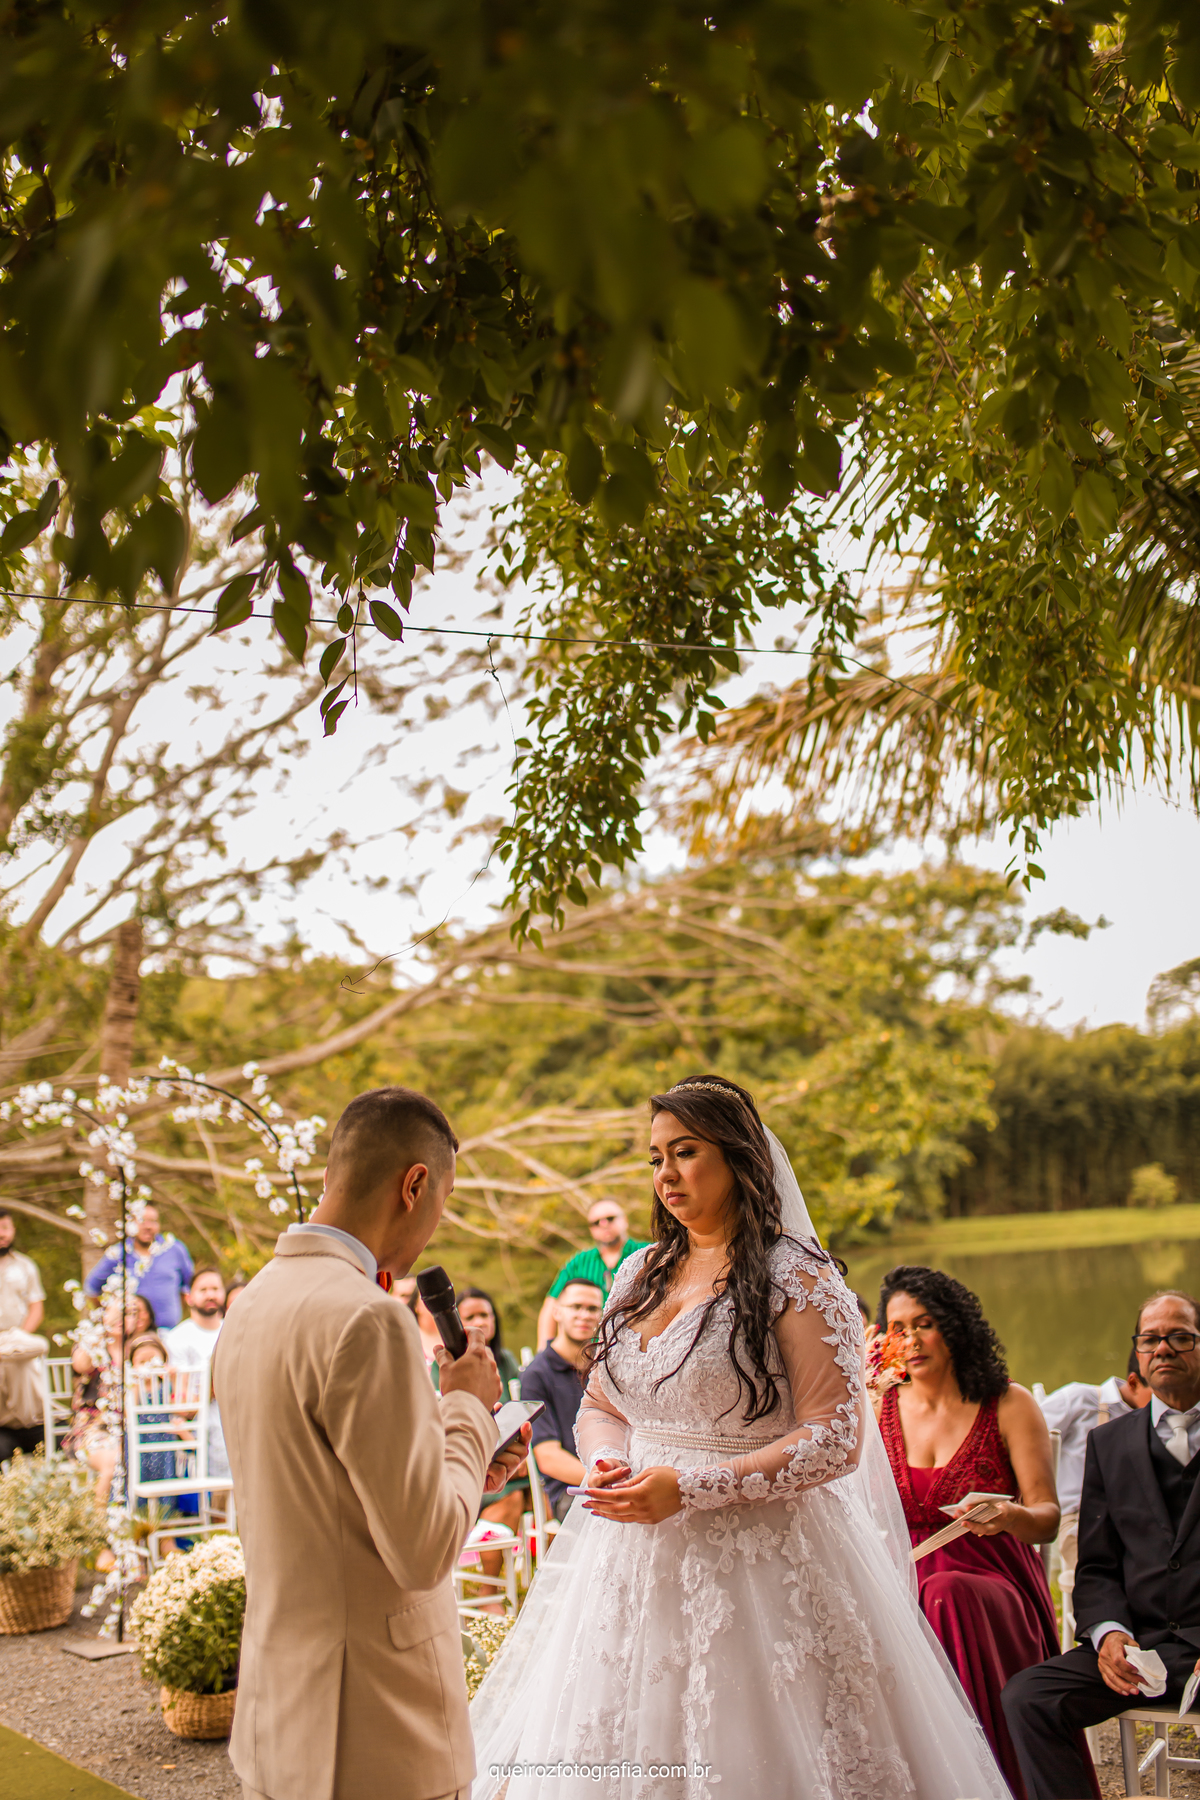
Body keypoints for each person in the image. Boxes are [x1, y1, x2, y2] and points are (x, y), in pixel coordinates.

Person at [470, 1075, 1010, 1800]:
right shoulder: (637, 1273)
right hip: (632, 1554)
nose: (665, 1174)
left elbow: (836, 1438)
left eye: (685, 1152)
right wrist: (607, 1461)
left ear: (738, 1158)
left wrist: (689, 1488)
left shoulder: (796, 1275)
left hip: (763, 1562)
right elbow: (601, 1402)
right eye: (655, 1157)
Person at [214, 1085, 529, 1800]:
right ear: (414, 1185)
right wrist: (467, 1411)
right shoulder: (368, 1319)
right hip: (373, 1729)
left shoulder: (253, 1302)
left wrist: (469, 1458)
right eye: (440, 1205)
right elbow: (420, 1553)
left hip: (280, 1714)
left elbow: (333, 1500)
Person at [874, 1265, 1064, 1800]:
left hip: (991, 1576)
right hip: (902, 1574)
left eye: (924, 1323)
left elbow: (1046, 1517)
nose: (909, 1340)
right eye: (897, 1328)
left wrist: (1008, 1516)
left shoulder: (1009, 1402)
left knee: (946, 1595)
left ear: (955, 1326)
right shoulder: (878, 1407)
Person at [1003, 1288, 1200, 1800]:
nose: (1164, 1349)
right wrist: (1110, 1634)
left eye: (1181, 1337)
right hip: (1144, 1648)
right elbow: (1096, 1567)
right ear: (1137, 1353)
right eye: (1151, 1339)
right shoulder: (1107, 1443)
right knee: (1029, 1697)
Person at [1039, 1344, 1153, 1635]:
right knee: (1100, 1571)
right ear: (1133, 1381)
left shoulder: (1160, 1424)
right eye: (1157, 1394)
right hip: (1079, 1520)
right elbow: (1026, 1441)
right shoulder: (1080, 1399)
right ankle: (1112, 1637)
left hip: (1135, 1519)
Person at [518, 1279, 604, 1521]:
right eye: (575, 1306)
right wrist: (603, 1482)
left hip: (616, 1480)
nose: (584, 1315)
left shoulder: (606, 1366)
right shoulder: (536, 1374)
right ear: (556, 1312)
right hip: (571, 1493)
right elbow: (548, 1457)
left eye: (592, 1308)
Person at [535, 1199, 648, 1347]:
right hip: (589, 1352)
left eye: (610, 1218)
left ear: (625, 1220)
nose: (603, 1224)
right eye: (596, 1222)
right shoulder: (579, 1262)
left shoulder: (647, 1254)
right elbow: (551, 1306)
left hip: (639, 1346)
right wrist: (544, 1354)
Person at [83, 1202, 193, 1329]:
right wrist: (110, 1315)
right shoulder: (117, 1253)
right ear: (131, 1224)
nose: (148, 1227)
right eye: (142, 1221)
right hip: (133, 1334)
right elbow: (92, 1289)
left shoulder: (174, 1249)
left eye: (153, 1221)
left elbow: (189, 1288)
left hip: (170, 1331)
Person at [0, 1209, 45, 1335]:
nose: (2, 1234)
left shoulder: (26, 1265)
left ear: (13, 1229)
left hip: (15, 1342)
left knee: (40, 1345)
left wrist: (21, 1336)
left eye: (5, 1227)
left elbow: (36, 1308)